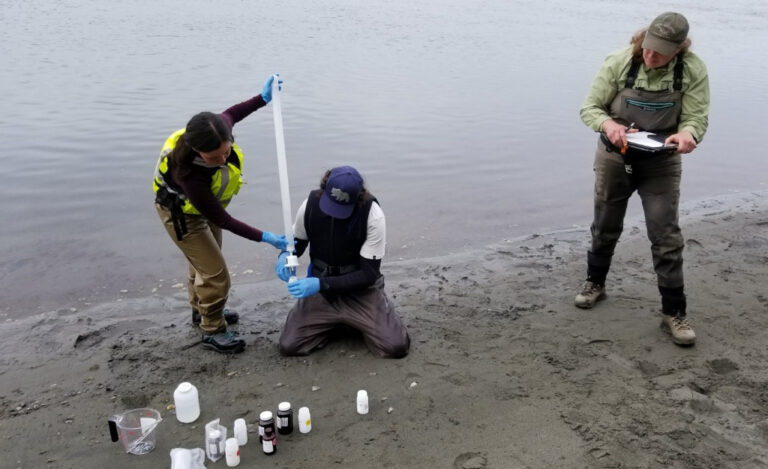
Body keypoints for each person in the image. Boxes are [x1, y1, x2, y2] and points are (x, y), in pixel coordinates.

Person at [575, 12, 709, 345]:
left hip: (661, 160)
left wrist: (689, 134)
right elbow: (590, 107)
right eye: (648, 48)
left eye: (660, 52)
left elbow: (695, 118)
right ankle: (595, 283)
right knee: (605, 224)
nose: (651, 56)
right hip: (615, 155)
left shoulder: (693, 70)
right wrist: (609, 125)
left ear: (679, 49)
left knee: (666, 233)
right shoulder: (620, 61)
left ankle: (673, 312)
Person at [153, 75, 288, 353]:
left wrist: (263, 98)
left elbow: (233, 113)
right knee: (215, 274)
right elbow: (222, 220)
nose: (223, 159)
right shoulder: (188, 176)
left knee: (201, 266)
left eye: (225, 152)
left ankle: (201, 311)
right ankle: (212, 329)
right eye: (214, 158)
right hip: (180, 215)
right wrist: (268, 238)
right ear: (196, 149)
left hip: (204, 210)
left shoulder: (218, 128)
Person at [275, 166, 410, 358]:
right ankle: (340, 322)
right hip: (321, 292)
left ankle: (364, 316)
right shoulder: (310, 205)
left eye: (342, 209)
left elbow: (369, 274)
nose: (334, 214)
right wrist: (284, 256)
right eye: (331, 205)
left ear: (358, 198)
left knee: (395, 346)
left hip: (360, 291)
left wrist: (320, 283)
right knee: (290, 346)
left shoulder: (373, 215)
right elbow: (297, 242)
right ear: (324, 189)